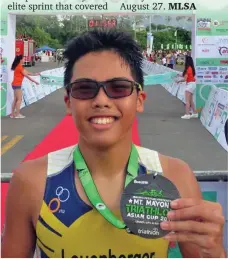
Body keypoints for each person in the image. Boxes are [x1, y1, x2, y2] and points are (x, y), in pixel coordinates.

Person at [2, 30, 226, 258]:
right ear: (69, 103)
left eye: (118, 87)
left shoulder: (176, 176)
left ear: (139, 100)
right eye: (85, 89)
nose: (101, 100)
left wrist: (215, 250)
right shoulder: (31, 182)